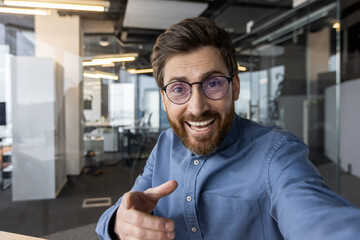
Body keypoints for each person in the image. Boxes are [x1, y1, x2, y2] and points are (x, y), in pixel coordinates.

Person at [96, 17, 360, 240]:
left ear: (235, 86)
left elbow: (313, 214)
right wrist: (118, 223)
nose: (197, 108)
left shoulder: (276, 152)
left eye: (213, 84)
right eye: (178, 89)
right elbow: (123, 209)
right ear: (164, 99)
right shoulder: (165, 145)